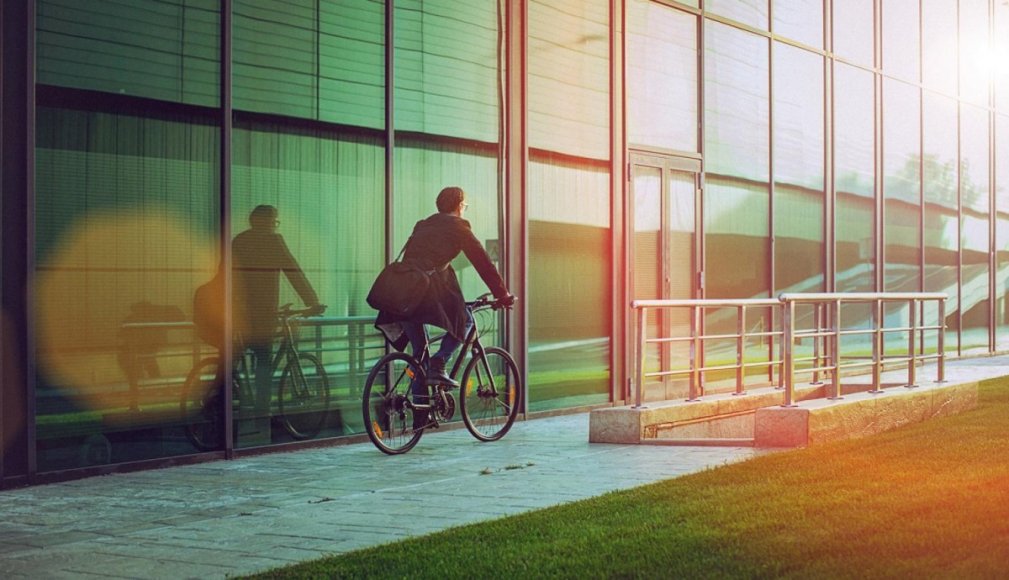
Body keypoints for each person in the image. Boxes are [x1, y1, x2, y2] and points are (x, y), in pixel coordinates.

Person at [375, 187, 515, 426]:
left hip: (405, 295)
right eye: (465, 205)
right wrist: (502, 294)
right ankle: (440, 363)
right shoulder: (458, 226)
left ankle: (421, 416)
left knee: (420, 353)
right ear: (459, 205)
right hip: (429, 292)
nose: (464, 209)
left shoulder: (423, 225)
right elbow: (482, 261)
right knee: (467, 321)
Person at [233, 205, 325, 421]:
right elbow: (293, 270)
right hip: (261, 313)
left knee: (233, 356)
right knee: (264, 359)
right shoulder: (272, 241)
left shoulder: (238, 241)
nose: (275, 225)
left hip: (237, 311)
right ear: (264, 221)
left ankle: (220, 393)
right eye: (274, 221)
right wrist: (312, 302)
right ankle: (262, 409)